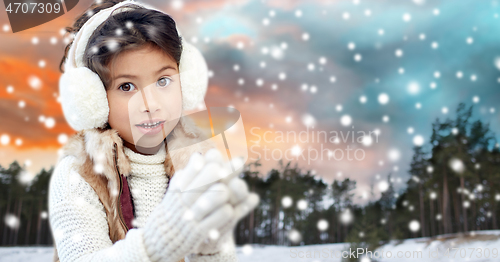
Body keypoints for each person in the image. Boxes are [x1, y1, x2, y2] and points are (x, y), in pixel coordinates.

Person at [48, 0, 259, 261]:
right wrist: (155, 244)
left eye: (163, 81)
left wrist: (211, 250)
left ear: (186, 81)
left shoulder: (197, 163)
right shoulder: (79, 173)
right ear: (94, 100)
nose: (150, 105)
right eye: (126, 87)